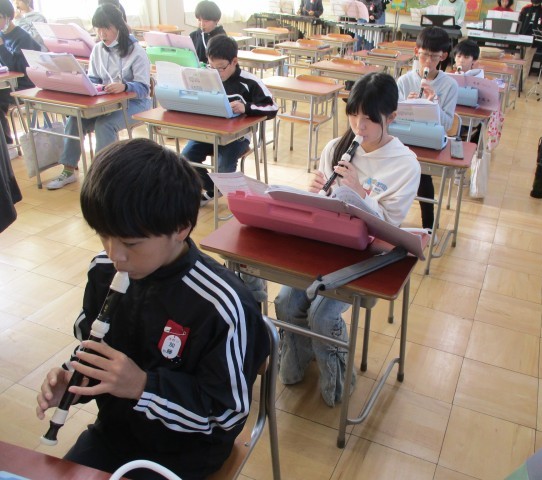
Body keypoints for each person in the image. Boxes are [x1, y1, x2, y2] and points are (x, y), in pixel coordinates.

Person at [35, 138, 270, 480]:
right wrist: (74, 380)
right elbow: (95, 351)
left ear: (181, 228)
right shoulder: (103, 271)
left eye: (130, 243)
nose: (115, 255)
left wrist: (144, 386)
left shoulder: (222, 304)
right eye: (103, 235)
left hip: (186, 453)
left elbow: (224, 416)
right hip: (113, 435)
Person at [275, 72, 420, 408]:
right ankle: (298, 361)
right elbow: (321, 211)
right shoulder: (336, 148)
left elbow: (390, 229)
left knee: (323, 316)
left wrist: (360, 193)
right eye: (353, 114)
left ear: (391, 117)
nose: (359, 126)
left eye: (369, 118)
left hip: (370, 256)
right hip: (327, 243)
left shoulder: (406, 165)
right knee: (285, 301)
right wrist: (316, 194)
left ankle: (339, 382)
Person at [45, 4, 151, 191]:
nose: (102, 33)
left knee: (105, 125)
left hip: (136, 103)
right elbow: (94, 78)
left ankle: (103, 175)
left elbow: (143, 87)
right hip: (106, 102)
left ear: (118, 26)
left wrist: (125, 86)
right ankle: (68, 170)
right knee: (75, 120)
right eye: (98, 28)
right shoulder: (98, 49)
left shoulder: (136, 51)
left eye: (106, 28)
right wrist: (84, 82)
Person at [181, 35, 278, 206]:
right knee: (185, 159)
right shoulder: (207, 77)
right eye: (211, 67)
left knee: (225, 168)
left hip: (237, 137)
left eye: (221, 68)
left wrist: (245, 107)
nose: (216, 73)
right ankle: (215, 188)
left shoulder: (249, 82)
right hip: (209, 132)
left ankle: (225, 191)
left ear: (234, 61)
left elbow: (272, 108)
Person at [397, 26, 458, 231]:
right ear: (416, 52)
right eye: (424, 55)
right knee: (395, 176)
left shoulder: (450, 85)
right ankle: (391, 220)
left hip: (430, 142)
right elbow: (392, 118)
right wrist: (406, 104)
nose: (428, 62)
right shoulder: (404, 81)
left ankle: (428, 228)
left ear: (443, 56)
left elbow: (447, 125)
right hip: (405, 139)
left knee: (423, 177)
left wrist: (434, 104)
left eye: (434, 57)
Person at [0, 0, 41, 157]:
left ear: (8, 17)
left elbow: (16, 68)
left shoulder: (22, 37)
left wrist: (1, 47)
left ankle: (8, 145)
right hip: (6, 83)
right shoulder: (2, 35)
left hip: (24, 85)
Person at [518, 0, 542, 78]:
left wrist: (537, 40)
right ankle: (513, 82)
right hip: (521, 39)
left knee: (526, 63)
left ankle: (521, 82)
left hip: (533, 41)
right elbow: (519, 23)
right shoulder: (525, 9)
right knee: (516, 60)